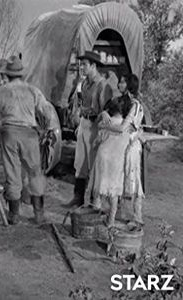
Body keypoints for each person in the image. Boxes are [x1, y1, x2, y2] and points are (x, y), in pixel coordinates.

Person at [0, 55, 53, 225]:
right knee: (35, 173)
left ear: (7, 75)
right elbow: (47, 111)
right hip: (30, 135)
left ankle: (14, 215)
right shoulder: (33, 90)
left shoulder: (1, 91)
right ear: (21, 74)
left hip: (9, 134)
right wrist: (46, 129)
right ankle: (38, 214)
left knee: (12, 173)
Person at [63, 51, 113, 208]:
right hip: (85, 124)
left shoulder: (103, 85)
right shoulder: (84, 84)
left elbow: (106, 112)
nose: (82, 67)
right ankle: (78, 198)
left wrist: (101, 133)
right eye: (81, 64)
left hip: (95, 126)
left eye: (84, 64)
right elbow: (82, 105)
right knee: (80, 163)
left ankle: (93, 202)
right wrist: (80, 124)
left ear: (93, 66)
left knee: (93, 165)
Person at [98, 74, 145, 227]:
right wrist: (104, 113)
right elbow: (108, 111)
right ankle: (116, 216)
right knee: (120, 179)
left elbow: (123, 127)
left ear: (130, 85)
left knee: (132, 182)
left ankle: (137, 219)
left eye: (123, 82)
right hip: (123, 143)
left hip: (131, 146)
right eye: (120, 81)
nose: (120, 84)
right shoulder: (124, 101)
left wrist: (105, 126)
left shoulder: (135, 104)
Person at [86, 99, 130, 227]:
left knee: (99, 187)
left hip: (104, 157)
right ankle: (111, 220)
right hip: (117, 160)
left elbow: (97, 141)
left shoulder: (106, 123)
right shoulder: (127, 126)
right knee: (114, 191)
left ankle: (95, 217)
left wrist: (93, 144)